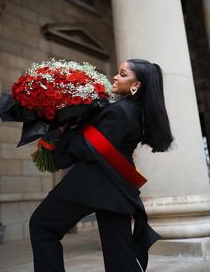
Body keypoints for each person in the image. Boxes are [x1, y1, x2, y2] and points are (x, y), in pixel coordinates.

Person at [29, 58, 174, 272]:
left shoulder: (121, 111)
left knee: (42, 225)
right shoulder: (135, 111)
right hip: (116, 188)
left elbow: (88, 148)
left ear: (136, 85)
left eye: (123, 74)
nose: (115, 76)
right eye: (118, 72)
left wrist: (62, 131)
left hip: (92, 182)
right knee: (119, 256)